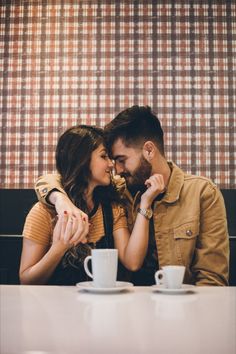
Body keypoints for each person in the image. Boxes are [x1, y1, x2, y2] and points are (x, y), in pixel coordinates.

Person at [34, 106, 229, 286]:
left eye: (121, 160)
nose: (116, 170)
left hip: (178, 306)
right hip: (125, 306)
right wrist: (60, 200)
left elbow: (212, 280)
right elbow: (55, 179)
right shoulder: (120, 189)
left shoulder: (202, 194)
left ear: (149, 150)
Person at [20, 124, 163, 285]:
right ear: (82, 159)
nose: (112, 165)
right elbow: (27, 280)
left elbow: (133, 262)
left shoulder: (111, 207)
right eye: (104, 157)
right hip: (56, 306)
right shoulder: (44, 212)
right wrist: (59, 248)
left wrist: (146, 203)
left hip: (104, 305)